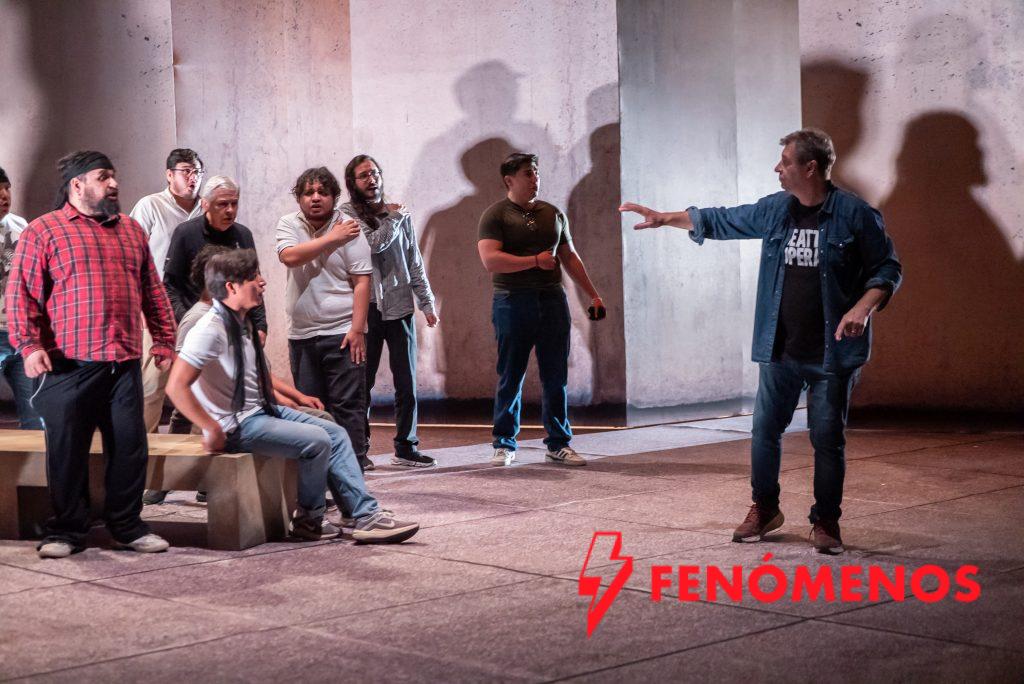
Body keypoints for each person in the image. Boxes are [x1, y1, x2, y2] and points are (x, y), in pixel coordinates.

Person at [620, 128, 902, 554]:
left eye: (785, 162)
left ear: (810, 167)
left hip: (832, 355)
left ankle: (826, 521)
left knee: (827, 439)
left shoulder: (855, 215)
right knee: (764, 431)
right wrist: (665, 218)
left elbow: (887, 269)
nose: (777, 168)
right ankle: (765, 507)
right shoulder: (776, 210)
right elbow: (722, 220)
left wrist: (861, 309)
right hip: (779, 349)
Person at [165, 248, 418, 543]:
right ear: (231, 287)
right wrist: (210, 427)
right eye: (253, 277)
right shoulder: (208, 329)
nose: (262, 282)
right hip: (238, 425)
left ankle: (363, 513)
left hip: (259, 412)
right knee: (317, 441)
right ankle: (309, 520)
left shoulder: (239, 323)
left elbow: (255, 376)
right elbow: (176, 386)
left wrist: (291, 399)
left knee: (335, 432)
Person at [5, 151, 178, 558]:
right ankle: (66, 530)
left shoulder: (131, 230)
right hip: (67, 365)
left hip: (123, 364)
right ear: (77, 184)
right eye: (103, 177)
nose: (114, 184)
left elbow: (153, 291)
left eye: (114, 176)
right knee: (67, 451)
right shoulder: (44, 231)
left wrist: (164, 340)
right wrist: (29, 346)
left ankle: (127, 526)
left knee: (130, 447)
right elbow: (21, 295)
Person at [477, 152, 606, 467]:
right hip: (512, 301)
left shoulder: (553, 213)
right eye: (528, 174)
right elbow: (491, 260)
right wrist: (534, 261)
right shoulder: (495, 215)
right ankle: (504, 444)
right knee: (511, 375)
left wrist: (593, 294)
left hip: (552, 300)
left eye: (536, 172)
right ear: (509, 180)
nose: (535, 179)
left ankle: (558, 444)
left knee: (555, 375)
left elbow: (569, 256)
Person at [339, 155, 438, 468]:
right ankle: (360, 449)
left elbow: (413, 260)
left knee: (406, 383)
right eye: (364, 175)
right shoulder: (348, 214)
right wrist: (393, 217)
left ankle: (406, 447)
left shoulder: (399, 213)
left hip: (399, 307)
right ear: (353, 183)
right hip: (366, 309)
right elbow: (373, 245)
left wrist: (427, 302)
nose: (372, 179)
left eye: (375, 173)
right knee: (362, 383)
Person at [276, 167, 375, 472]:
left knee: (349, 408)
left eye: (323, 192)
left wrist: (357, 329)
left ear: (334, 196)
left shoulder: (350, 229)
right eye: (308, 193)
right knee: (311, 408)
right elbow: (290, 256)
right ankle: (319, 477)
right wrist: (332, 238)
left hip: (342, 332)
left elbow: (362, 281)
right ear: (299, 198)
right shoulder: (289, 223)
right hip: (302, 334)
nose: (316, 198)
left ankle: (353, 475)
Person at [130, 148, 205, 434]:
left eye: (197, 171)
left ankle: (193, 450)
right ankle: (142, 449)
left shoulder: (207, 207)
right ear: (169, 175)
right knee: (152, 385)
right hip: (157, 307)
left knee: (199, 384)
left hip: (198, 307)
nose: (192, 177)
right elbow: (132, 256)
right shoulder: (150, 206)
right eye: (186, 171)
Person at [163, 175, 267, 341]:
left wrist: (261, 326)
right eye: (223, 204)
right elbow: (170, 287)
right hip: (200, 326)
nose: (230, 210)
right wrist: (187, 320)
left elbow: (253, 281)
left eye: (234, 203)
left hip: (239, 328)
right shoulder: (185, 233)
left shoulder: (243, 234)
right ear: (205, 204)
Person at [0, 165, 42, 428]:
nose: (4, 196)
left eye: (7, 189)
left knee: (36, 416)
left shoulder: (21, 226)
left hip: (18, 333)